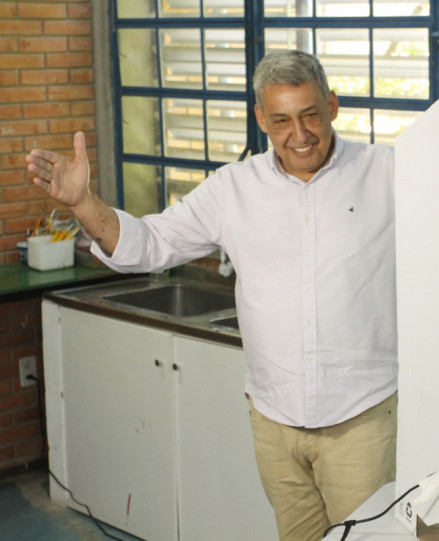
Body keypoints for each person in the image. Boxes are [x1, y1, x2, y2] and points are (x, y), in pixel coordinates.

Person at [26, 50, 398, 541]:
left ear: (332, 104)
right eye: (282, 120)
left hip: (361, 417)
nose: (300, 134)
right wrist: (84, 204)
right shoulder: (233, 189)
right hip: (274, 418)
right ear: (261, 118)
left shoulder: (388, 172)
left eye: (310, 114)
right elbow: (150, 242)